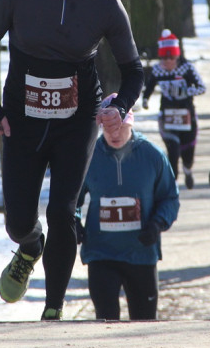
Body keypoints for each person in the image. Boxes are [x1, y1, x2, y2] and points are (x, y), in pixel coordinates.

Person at [0, 0, 144, 321]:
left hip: (77, 117)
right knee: (18, 221)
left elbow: (133, 69)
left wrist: (118, 109)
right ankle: (30, 247)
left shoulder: (104, 2)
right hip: (22, 119)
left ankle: (54, 307)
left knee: (63, 210)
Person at [77, 100, 180, 320]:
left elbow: (170, 197)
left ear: (131, 124)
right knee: (105, 321)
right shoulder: (88, 155)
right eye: (109, 128)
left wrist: (157, 223)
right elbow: (71, 198)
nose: (115, 134)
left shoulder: (152, 155)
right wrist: (74, 222)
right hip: (101, 252)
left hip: (141, 252)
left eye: (121, 127)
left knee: (143, 325)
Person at [141, 30, 206, 189]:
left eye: (171, 58)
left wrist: (186, 91)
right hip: (167, 115)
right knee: (173, 149)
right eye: (164, 58)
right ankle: (172, 182)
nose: (168, 62)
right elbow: (149, 86)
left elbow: (201, 87)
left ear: (177, 56)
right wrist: (145, 99)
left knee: (188, 150)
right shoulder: (157, 70)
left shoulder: (186, 69)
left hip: (187, 115)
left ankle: (188, 170)